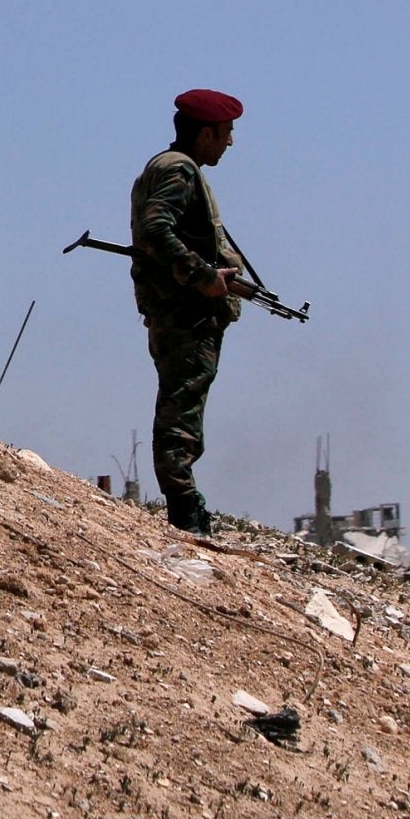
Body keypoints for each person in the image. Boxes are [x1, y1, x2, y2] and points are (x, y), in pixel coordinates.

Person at [131, 89, 255, 535]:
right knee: (181, 412)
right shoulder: (179, 170)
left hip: (176, 310)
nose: (230, 143)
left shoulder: (166, 167)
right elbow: (154, 229)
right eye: (226, 133)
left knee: (181, 405)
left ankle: (185, 504)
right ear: (206, 133)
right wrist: (203, 277)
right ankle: (185, 510)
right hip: (186, 314)